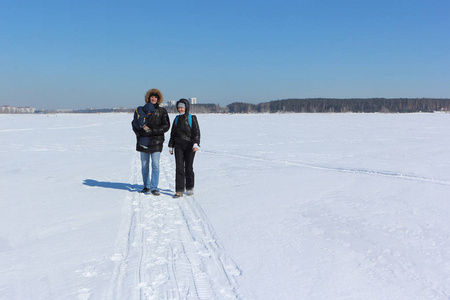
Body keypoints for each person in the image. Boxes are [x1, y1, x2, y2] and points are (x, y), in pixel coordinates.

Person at [132, 88, 170, 195]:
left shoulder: (162, 111)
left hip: (157, 141)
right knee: (144, 165)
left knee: (155, 165)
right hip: (143, 141)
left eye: (155, 97)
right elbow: (134, 124)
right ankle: (146, 186)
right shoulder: (141, 110)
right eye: (151, 97)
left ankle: (154, 187)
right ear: (148, 98)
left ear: (158, 99)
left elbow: (166, 126)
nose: (153, 99)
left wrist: (153, 131)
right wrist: (140, 133)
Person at [168, 98, 201, 198]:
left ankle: (190, 188)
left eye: (182, 107)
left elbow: (197, 132)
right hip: (178, 146)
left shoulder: (192, 118)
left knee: (189, 167)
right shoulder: (176, 119)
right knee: (179, 168)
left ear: (186, 108)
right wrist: (171, 146)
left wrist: (195, 143)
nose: (180, 109)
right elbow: (173, 134)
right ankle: (179, 190)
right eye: (179, 108)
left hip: (190, 146)